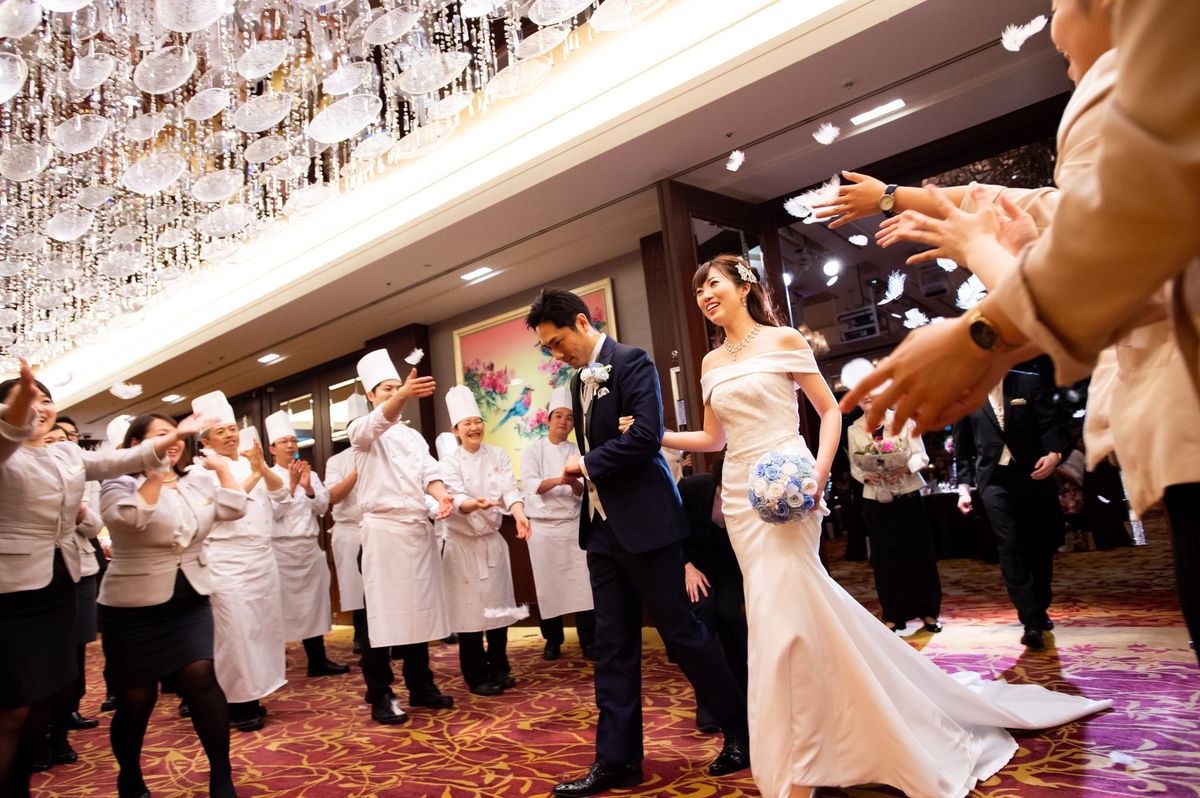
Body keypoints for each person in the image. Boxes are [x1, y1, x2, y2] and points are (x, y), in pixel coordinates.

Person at [661, 255, 1110, 798]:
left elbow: (829, 412)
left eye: (712, 284)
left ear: (742, 286)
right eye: (698, 291)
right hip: (740, 495)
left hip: (790, 483)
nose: (705, 296)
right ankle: (822, 736)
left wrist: (817, 474)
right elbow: (713, 439)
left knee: (783, 608)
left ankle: (799, 757)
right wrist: (656, 436)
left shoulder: (783, 340)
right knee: (775, 609)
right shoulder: (710, 361)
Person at [837, 0, 1200, 656]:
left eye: (1058, 4)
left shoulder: (1130, 78)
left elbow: (1101, 268)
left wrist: (977, 324)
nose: (1053, 20)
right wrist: (901, 202)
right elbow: (1034, 212)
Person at [527, 288, 750, 797]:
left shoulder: (632, 362)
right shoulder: (578, 379)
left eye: (557, 343)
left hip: (647, 525)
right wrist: (589, 472)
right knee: (613, 647)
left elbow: (647, 436)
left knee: (684, 635)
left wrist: (586, 463)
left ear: (581, 323)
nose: (556, 355)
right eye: (548, 349)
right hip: (601, 530)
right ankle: (617, 761)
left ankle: (741, 731)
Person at [0, 360, 201, 795]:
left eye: (46, 400)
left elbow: (118, 460)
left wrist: (173, 437)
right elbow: (7, 433)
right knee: (12, 708)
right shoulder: (5, 449)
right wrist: (18, 408)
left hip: (60, 583)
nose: (40, 408)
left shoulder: (66, 453)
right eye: (28, 401)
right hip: (10, 591)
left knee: (45, 698)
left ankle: (20, 785)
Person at [99, 413, 245, 798]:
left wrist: (221, 471)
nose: (174, 441)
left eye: (177, 435)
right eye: (163, 435)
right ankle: (130, 775)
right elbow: (128, 520)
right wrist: (153, 475)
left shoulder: (194, 481)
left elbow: (233, 509)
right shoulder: (118, 482)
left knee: (201, 677)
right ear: (137, 445)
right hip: (131, 607)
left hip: (189, 600)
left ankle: (221, 776)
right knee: (136, 699)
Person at [349, 349, 455, 725]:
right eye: (387, 389)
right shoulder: (361, 431)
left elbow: (430, 474)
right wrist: (404, 394)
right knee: (381, 619)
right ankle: (381, 693)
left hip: (417, 531)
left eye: (399, 387)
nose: (396, 394)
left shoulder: (412, 437)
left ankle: (420, 684)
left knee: (419, 612)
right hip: (383, 534)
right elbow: (376, 423)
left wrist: (442, 497)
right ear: (370, 395)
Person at [191, 392, 287, 733]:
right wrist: (256, 474)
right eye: (221, 432)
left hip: (261, 557)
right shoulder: (199, 470)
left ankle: (254, 692)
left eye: (233, 429)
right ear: (206, 441)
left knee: (262, 629)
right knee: (234, 634)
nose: (230, 436)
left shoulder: (249, 462)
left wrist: (262, 468)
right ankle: (237, 701)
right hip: (225, 559)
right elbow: (227, 504)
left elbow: (281, 492)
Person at [954, 369, 1066, 649]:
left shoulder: (1029, 381)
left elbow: (1050, 424)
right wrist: (964, 489)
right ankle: (1031, 621)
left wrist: (1054, 455)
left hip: (1033, 474)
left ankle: (1040, 606)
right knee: (1010, 545)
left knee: (1039, 545)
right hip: (993, 481)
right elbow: (963, 447)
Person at [440, 386, 531, 695]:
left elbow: (510, 491)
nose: (474, 427)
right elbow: (455, 498)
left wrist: (519, 514)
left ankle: (500, 667)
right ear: (455, 430)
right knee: (469, 615)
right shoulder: (448, 463)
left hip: (492, 542)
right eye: (466, 423)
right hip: (462, 546)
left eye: (477, 421)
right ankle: (477, 675)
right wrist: (473, 504)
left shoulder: (498, 455)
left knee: (499, 609)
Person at [846, 394, 943, 633]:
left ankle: (929, 612)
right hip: (875, 501)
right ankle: (893, 613)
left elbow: (921, 456)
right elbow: (854, 466)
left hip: (908, 497)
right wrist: (866, 475)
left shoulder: (904, 421)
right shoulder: (853, 429)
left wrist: (905, 467)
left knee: (919, 555)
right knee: (885, 560)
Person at [264, 411, 348, 678]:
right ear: (272, 448)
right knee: (279, 608)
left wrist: (308, 487)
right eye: (283, 442)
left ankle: (318, 661)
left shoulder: (309, 473)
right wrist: (290, 486)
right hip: (280, 551)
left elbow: (322, 508)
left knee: (314, 607)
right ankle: (274, 663)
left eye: (293, 441)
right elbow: (271, 514)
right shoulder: (267, 477)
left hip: (309, 549)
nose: (290, 446)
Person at [518, 386, 596, 661]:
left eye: (569, 417)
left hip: (573, 526)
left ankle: (589, 640)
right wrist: (560, 480)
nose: (563, 422)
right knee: (548, 586)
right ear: (548, 420)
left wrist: (573, 483)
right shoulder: (533, 450)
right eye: (559, 416)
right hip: (543, 528)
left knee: (583, 585)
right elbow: (531, 485)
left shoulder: (578, 452)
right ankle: (552, 640)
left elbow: (585, 491)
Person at [675, 456, 748, 735]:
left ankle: (744, 693)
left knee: (729, 615)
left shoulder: (751, 497)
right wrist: (686, 566)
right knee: (702, 614)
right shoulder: (691, 488)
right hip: (694, 566)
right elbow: (669, 530)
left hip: (731, 566)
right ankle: (707, 699)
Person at [324, 443, 365, 653]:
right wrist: (357, 471)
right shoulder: (337, 461)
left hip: (380, 527)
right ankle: (361, 635)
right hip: (349, 529)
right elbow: (333, 496)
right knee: (356, 587)